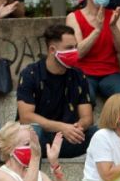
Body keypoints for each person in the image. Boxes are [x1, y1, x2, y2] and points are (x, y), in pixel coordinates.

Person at [18, 24, 96, 160]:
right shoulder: (30, 74)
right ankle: (33, 180)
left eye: (75, 47)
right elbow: (26, 117)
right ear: (52, 50)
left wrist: (77, 127)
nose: (75, 52)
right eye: (69, 48)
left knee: (99, 134)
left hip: (70, 139)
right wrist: (62, 127)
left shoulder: (78, 75)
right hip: (42, 141)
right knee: (31, 132)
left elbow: (87, 117)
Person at [71, 0, 120, 103]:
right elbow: (78, 53)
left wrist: (113, 27)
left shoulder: (115, 16)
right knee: (85, 99)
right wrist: (97, 30)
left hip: (111, 73)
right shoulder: (74, 17)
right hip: (84, 73)